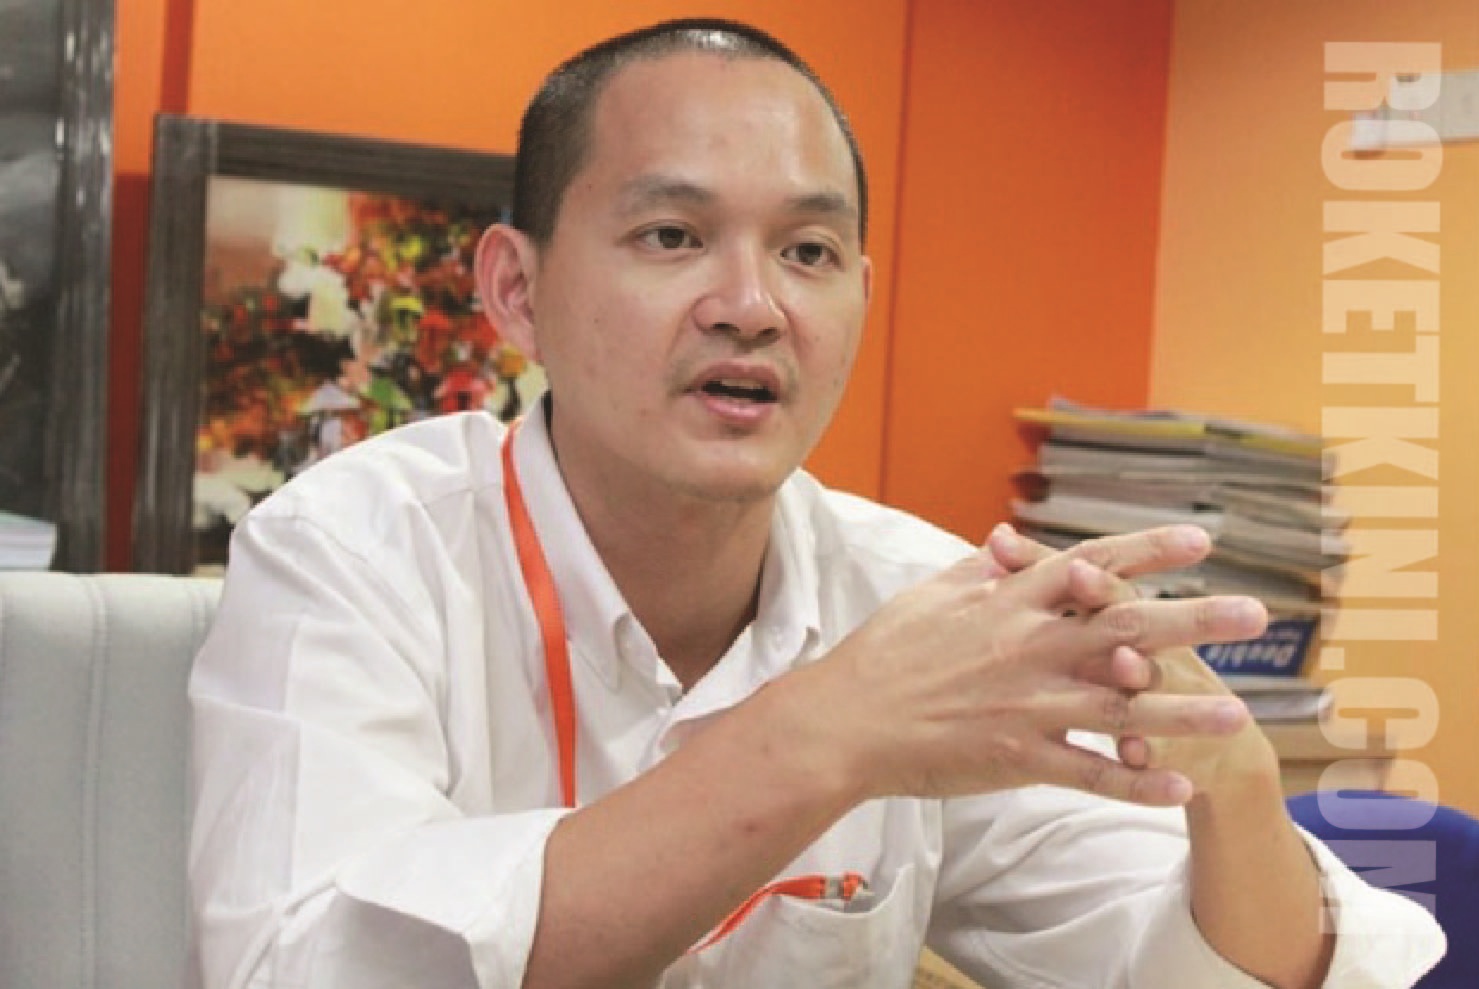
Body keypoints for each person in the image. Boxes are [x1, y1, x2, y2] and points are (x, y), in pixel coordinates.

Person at [187, 18, 1445, 989]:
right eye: (672, 235)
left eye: (808, 252)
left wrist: (1231, 778)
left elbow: (1213, 966)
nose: (753, 304)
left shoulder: (915, 600)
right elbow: (307, 966)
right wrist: (827, 732)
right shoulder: (350, 552)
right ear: (516, 290)